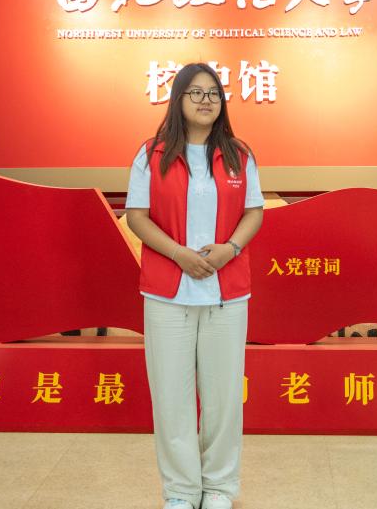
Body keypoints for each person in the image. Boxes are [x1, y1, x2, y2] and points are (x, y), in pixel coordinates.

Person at [125, 63, 264, 509]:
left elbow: (254, 211)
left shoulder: (239, 154)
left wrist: (230, 249)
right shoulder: (151, 154)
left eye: (214, 93)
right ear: (178, 99)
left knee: (224, 397)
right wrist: (178, 254)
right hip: (168, 292)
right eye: (196, 93)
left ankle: (219, 487)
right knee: (172, 397)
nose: (206, 101)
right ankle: (181, 492)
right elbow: (136, 216)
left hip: (227, 292)